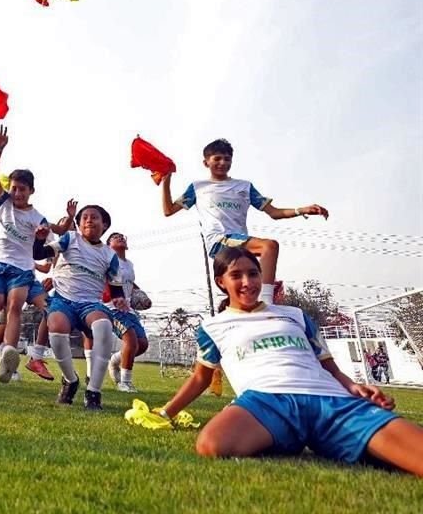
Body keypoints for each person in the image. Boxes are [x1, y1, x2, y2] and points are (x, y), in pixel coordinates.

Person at [154, 247, 422, 476]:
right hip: (266, 400)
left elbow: (327, 364)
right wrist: (167, 412)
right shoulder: (212, 326)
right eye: (236, 275)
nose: (247, 282)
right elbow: (201, 378)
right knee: (213, 444)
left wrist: (354, 387)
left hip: (329, 399)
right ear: (221, 281)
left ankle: (331, 436)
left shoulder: (296, 315)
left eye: (253, 273)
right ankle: (290, 434)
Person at [161, 138, 328, 305]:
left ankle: (245, 306)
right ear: (206, 162)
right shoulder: (198, 187)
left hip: (239, 243)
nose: (223, 162)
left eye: (227, 159)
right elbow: (169, 210)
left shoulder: (244, 187)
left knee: (247, 283)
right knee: (269, 246)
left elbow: (274, 212)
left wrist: (301, 210)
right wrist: (166, 181)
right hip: (219, 240)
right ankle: (267, 302)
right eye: (217, 158)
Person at [0, 126, 75, 383]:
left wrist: (61, 225)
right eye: (14, 188)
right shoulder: (3, 204)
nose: (17, 193)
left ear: (31, 191)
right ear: (9, 189)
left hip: (21, 268)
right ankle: (4, 349)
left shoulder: (37, 216)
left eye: (23, 189)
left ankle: (8, 356)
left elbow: (58, 229)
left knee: (14, 309)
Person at [32, 204, 122, 411]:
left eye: (94, 217)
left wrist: (120, 299)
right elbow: (39, 253)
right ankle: (70, 380)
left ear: (105, 224)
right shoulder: (69, 239)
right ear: (79, 225)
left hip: (91, 303)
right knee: (56, 326)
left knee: (103, 327)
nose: (89, 220)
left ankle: (94, 392)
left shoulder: (109, 255)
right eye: (85, 218)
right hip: (63, 299)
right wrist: (39, 238)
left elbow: (116, 289)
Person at [100, 232, 148, 393]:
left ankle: (114, 360)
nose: (120, 238)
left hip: (129, 309)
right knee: (131, 340)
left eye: (122, 236)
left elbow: (130, 282)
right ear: (108, 245)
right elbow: (104, 279)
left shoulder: (129, 264)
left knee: (142, 345)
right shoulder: (108, 260)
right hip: (112, 308)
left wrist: (141, 293)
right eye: (115, 237)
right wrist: (112, 296)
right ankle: (125, 382)